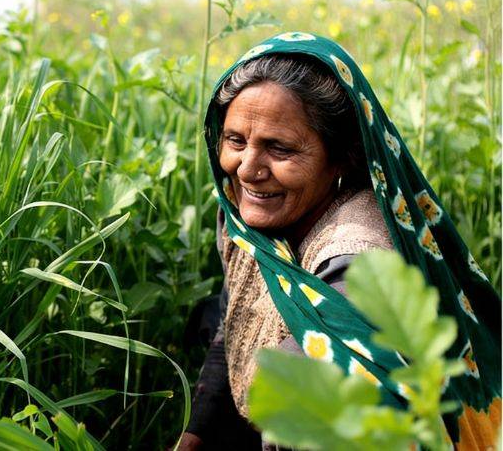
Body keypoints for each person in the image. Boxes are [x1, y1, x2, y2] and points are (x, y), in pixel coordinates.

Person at [178, 33, 501, 450]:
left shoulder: (358, 261)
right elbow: (232, 321)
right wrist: (192, 438)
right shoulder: (250, 215)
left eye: (280, 148)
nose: (247, 169)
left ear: (343, 157)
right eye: (236, 140)